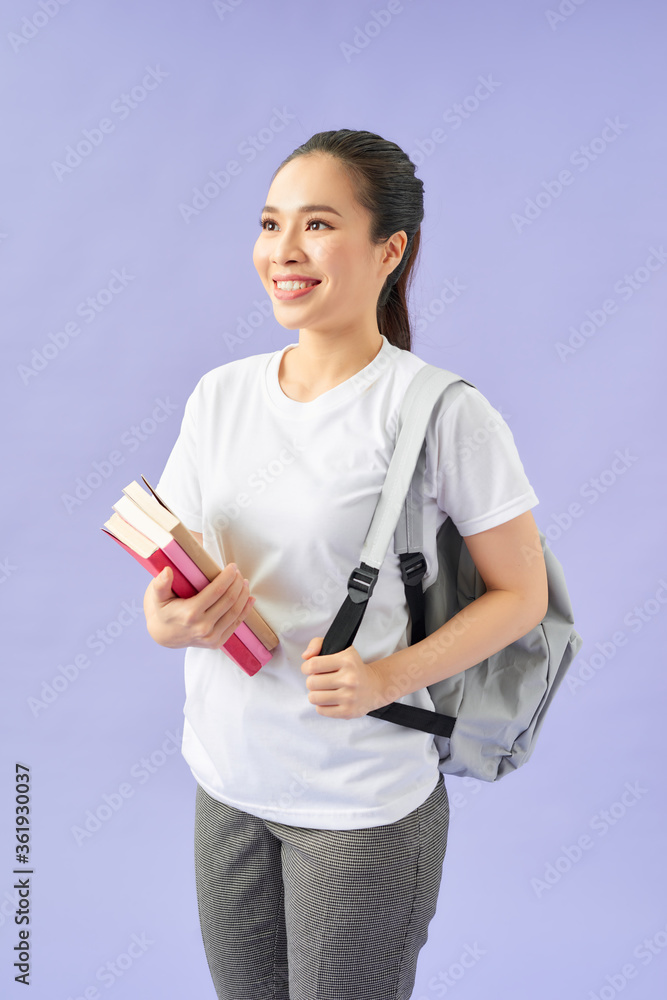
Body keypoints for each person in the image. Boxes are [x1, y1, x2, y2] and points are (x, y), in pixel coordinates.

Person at [142, 128, 548, 1000]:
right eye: (269, 222)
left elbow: (522, 595)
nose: (282, 251)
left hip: (360, 804)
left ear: (389, 249)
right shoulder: (220, 395)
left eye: (317, 224)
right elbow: (175, 571)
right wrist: (164, 619)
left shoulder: (436, 410)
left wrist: (385, 677)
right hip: (226, 780)